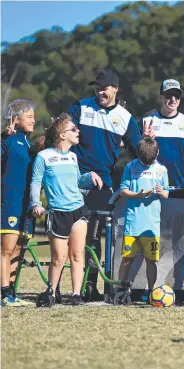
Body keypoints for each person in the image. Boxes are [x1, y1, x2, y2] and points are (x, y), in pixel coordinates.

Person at [68, 69, 144, 300]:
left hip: (103, 184)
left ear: (115, 89)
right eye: (97, 87)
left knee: (94, 235)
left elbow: (138, 150)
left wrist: (147, 140)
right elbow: (61, 134)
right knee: (67, 235)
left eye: (105, 87)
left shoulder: (125, 118)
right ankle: (65, 286)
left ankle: (91, 285)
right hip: (72, 179)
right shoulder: (80, 107)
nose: (100, 91)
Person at [30, 113, 103, 306]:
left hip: (79, 210)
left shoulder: (72, 156)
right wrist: (35, 203)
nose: (78, 132)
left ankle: (76, 295)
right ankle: (51, 292)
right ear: (62, 135)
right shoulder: (43, 157)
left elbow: (77, 181)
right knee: (59, 258)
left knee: (77, 255)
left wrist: (90, 176)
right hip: (57, 213)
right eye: (73, 129)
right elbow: (36, 182)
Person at [141, 79, 184, 300]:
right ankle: (149, 287)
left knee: (180, 245)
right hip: (154, 192)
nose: (172, 99)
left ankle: (179, 287)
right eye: (168, 95)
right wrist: (145, 139)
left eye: (176, 95)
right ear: (161, 96)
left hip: (181, 192)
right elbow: (139, 155)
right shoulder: (147, 121)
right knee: (152, 243)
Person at [118, 138, 169, 297]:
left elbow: (166, 194)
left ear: (157, 153)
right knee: (127, 258)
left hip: (151, 225)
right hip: (132, 223)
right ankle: (121, 289)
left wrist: (162, 193)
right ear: (138, 155)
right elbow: (123, 191)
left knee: (151, 260)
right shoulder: (130, 167)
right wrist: (138, 195)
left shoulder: (162, 170)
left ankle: (153, 291)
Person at [1, 99, 36, 307]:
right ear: (16, 119)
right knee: (5, 250)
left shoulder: (27, 143)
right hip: (9, 203)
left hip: (25, 206)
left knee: (17, 250)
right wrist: (4, 138)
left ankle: (12, 292)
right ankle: (3, 293)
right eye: (29, 116)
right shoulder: (9, 141)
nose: (33, 120)